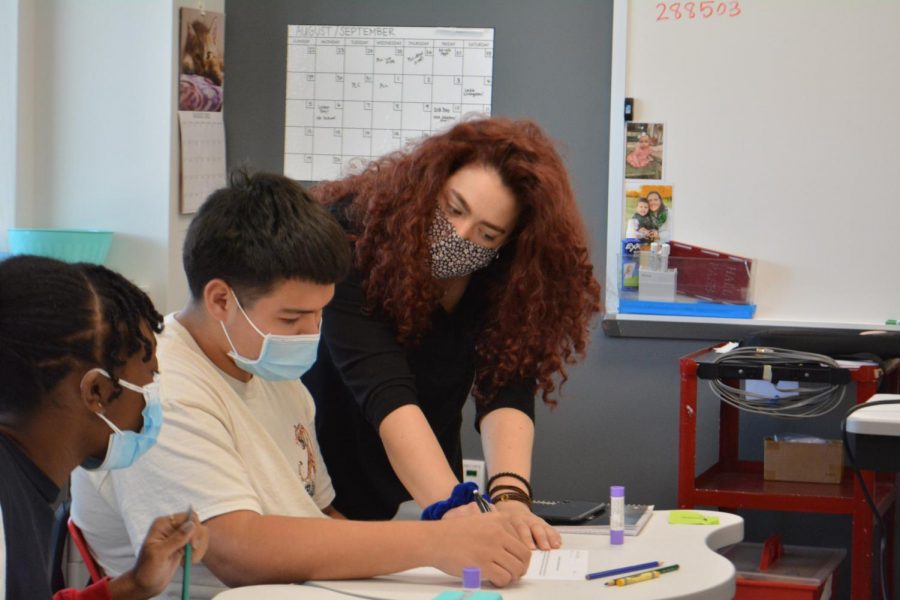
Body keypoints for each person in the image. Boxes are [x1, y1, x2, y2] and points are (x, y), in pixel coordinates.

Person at [71, 170, 531, 599]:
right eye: (292, 317)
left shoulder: (271, 371)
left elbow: (323, 517)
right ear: (220, 299)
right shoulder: (160, 390)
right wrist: (435, 541)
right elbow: (236, 551)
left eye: (321, 313)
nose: (312, 333)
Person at [304, 118, 602, 545]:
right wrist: (459, 517)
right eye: (454, 209)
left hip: (424, 487)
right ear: (428, 186)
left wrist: (511, 500)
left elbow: (507, 384)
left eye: (487, 233)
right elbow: (387, 396)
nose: (461, 236)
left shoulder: (502, 274)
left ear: (509, 243)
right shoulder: (354, 239)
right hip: (329, 483)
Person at [0, 255, 208, 600]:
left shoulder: (22, 482)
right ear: (96, 391)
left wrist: (133, 585)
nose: (154, 396)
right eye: (150, 377)